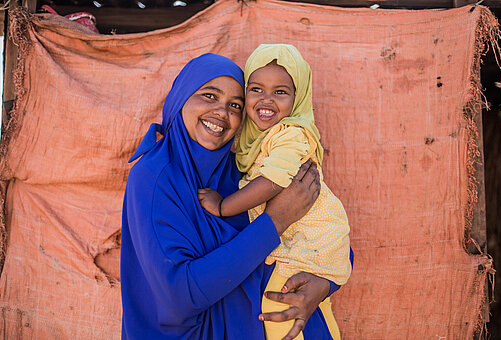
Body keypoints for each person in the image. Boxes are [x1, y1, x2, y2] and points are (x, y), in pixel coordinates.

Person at [121, 52, 342, 340]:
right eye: (209, 96)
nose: (222, 113)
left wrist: (324, 283)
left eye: (235, 105)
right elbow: (180, 294)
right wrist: (274, 222)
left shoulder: (245, 170)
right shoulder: (154, 177)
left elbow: (323, 222)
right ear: (180, 97)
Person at [198, 44, 352, 340]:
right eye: (256, 89)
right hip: (303, 243)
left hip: (310, 241)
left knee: (281, 305)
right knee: (311, 311)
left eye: (280, 92)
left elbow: (274, 181)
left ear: (298, 98)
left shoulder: (290, 133)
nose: (266, 100)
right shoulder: (253, 141)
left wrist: (223, 206)